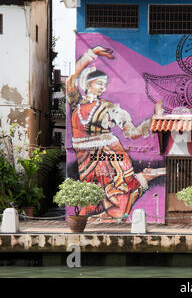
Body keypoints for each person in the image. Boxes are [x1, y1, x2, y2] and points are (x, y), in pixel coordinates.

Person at [66, 45, 165, 221]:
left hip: (111, 154)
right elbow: (71, 79)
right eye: (99, 84)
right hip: (86, 158)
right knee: (92, 197)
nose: (102, 88)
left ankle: (147, 176)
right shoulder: (76, 102)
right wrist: (91, 54)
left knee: (118, 194)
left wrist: (154, 119)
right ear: (88, 83)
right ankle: (147, 175)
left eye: (104, 85)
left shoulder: (110, 108)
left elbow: (133, 133)